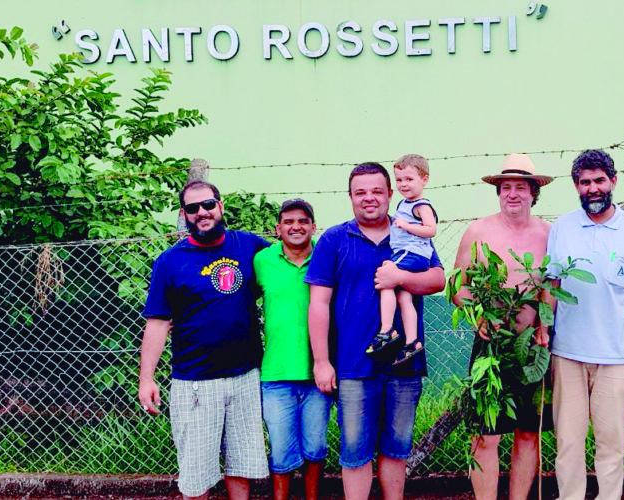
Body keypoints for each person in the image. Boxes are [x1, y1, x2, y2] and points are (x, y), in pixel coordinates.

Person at [305, 162, 445, 500]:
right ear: (350, 197)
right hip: (354, 363)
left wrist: (402, 279)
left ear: (390, 194)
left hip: (404, 363)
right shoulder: (334, 239)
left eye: (377, 191)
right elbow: (319, 304)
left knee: (396, 450)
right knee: (354, 452)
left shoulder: (409, 232)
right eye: (360, 192)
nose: (369, 198)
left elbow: (438, 280)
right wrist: (322, 361)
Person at [546, 149, 624, 500]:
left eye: (600, 180)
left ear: (614, 181)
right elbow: (552, 286)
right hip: (567, 353)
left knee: (611, 443)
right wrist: (542, 329)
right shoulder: (562, 227)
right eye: (585, 182)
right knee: (568, 441)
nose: (593, 188)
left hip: (617, 356)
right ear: (576, 186)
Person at [139, 180, 269, 500]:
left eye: (208, 204)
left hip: (245, 376)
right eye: (193, 208)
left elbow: (289, 272)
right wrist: (146, 378)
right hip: (196, 381)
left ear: (220, 206)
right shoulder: (170, 262)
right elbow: (158, 322)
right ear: (185, 215)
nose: (203, 212)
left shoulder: (250, 246)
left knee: (242, 466)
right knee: (197, 475)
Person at [452, 153, 553, 500]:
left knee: (528, 432)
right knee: (486, 433)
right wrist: (480, 316)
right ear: (498, 191)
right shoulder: (478, 231)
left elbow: (550, 286)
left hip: (532, 347)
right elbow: (458, 286)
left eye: (521, 187)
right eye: (506, 187)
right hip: (491, 347)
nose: (513, 193)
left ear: (533, 193)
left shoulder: (547, 233)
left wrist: (544, 324)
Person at [253, 199, 330, 500]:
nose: (295, 226)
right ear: (278, 228)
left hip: (317, 374)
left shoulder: (325, 258)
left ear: (313, 226)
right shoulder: (263, 261)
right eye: (288, 221)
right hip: (276, 372)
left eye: (302, 221)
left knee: (315, 447)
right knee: (282, 451)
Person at [368, 154, 438, 366]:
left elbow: (431, 229)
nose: (403, 184)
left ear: (424, 179)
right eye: (399, 180)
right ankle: (412, 340)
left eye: (409, 179)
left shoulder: (421, 205)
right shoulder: (406, 203)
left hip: (412, 253)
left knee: (387, 278)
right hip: (407, 252)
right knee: (404, 296)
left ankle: (387, 329)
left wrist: (406, 226)